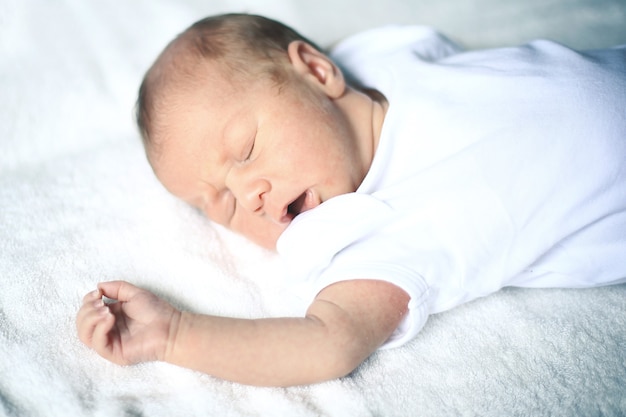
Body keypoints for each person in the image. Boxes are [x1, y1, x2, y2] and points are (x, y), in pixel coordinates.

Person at [76, 13, 626, 387]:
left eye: (245, 150)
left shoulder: (378, 63)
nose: (248, 194)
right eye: (221, 204)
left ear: (318, 71)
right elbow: (327, 345)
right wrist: (174, 335)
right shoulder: (367, 236)